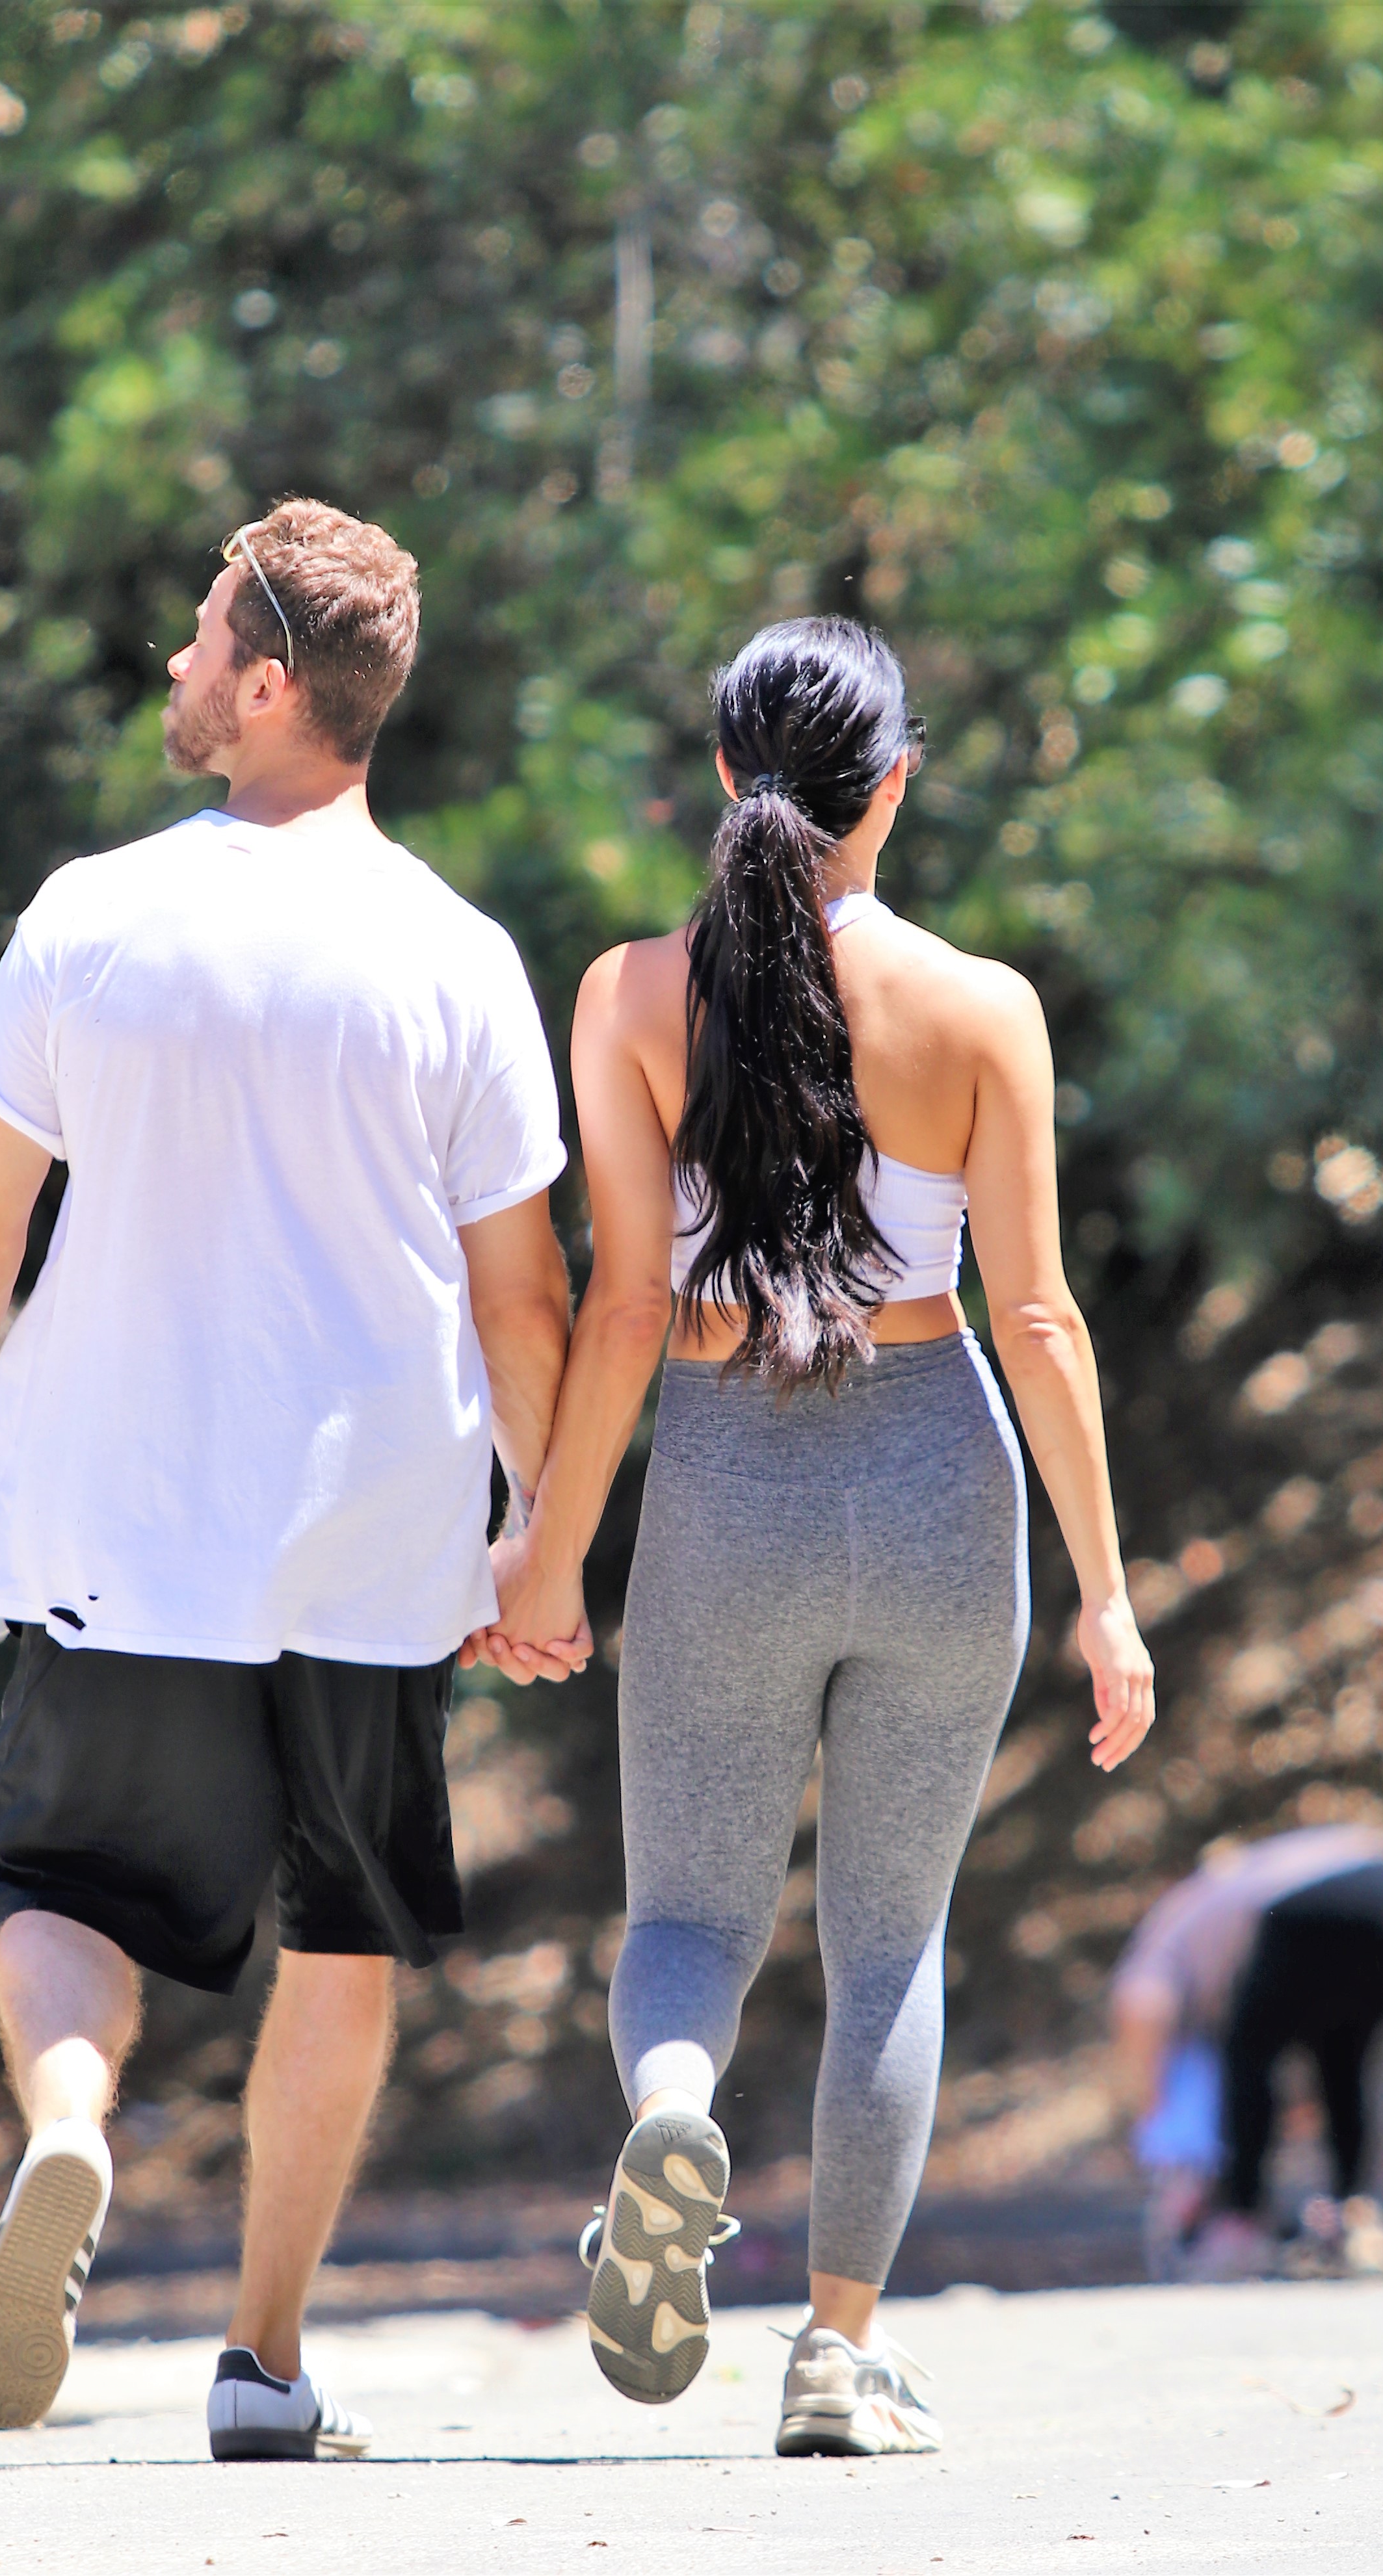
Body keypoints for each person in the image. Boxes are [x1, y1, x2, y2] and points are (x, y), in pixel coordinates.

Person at [0, 499, 573, 2458]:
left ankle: (75, 2129)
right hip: (374, 1547)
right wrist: (546, 1531)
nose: (177, 668)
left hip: (113, 1528)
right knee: (340, 1939)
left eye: (199, 643)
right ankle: (265, 2363)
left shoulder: (93, 916)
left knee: (55, 1877)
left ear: (269, 685)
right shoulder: (456, 955)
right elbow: (531, 1305)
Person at [474, 618, 1155, 2458]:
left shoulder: (625, 996)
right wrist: (1106, 1597)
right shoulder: (977, 1005)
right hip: (941, 1482)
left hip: (716, 1485)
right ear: (896, 786)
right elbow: (1037, 1323)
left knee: (690, 1914)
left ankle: (671, 2112)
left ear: (720, 780)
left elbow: (620, 1306)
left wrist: (545, 1548)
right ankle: (835, 2357)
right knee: (889, 1938)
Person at [1110, 1824, 1383, 2280]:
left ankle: (1239, 2222)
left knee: (1244, 2056)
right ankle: (1353, 2213)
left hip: (1312, 1905)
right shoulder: (1243, 1881)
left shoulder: (1174, 1921)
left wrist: (1151, 2104)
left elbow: (1142, 2001)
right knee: (1342, 2058)